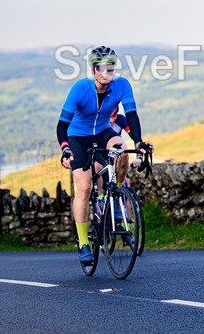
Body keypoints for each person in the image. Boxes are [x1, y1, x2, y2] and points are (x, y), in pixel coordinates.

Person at [57, 46, 152, 266]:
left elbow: (131, 115)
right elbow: (62, 125)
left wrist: (138, 142)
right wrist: (65, 148)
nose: (108, 71)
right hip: (78, 137)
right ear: (94, 69)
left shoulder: (122, 85)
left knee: (122, 150)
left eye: (111, 67)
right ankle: (83, 244)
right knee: (84, 187)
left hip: (102, 132)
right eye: (103, 68)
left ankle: (116, 196)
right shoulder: (80, 88)